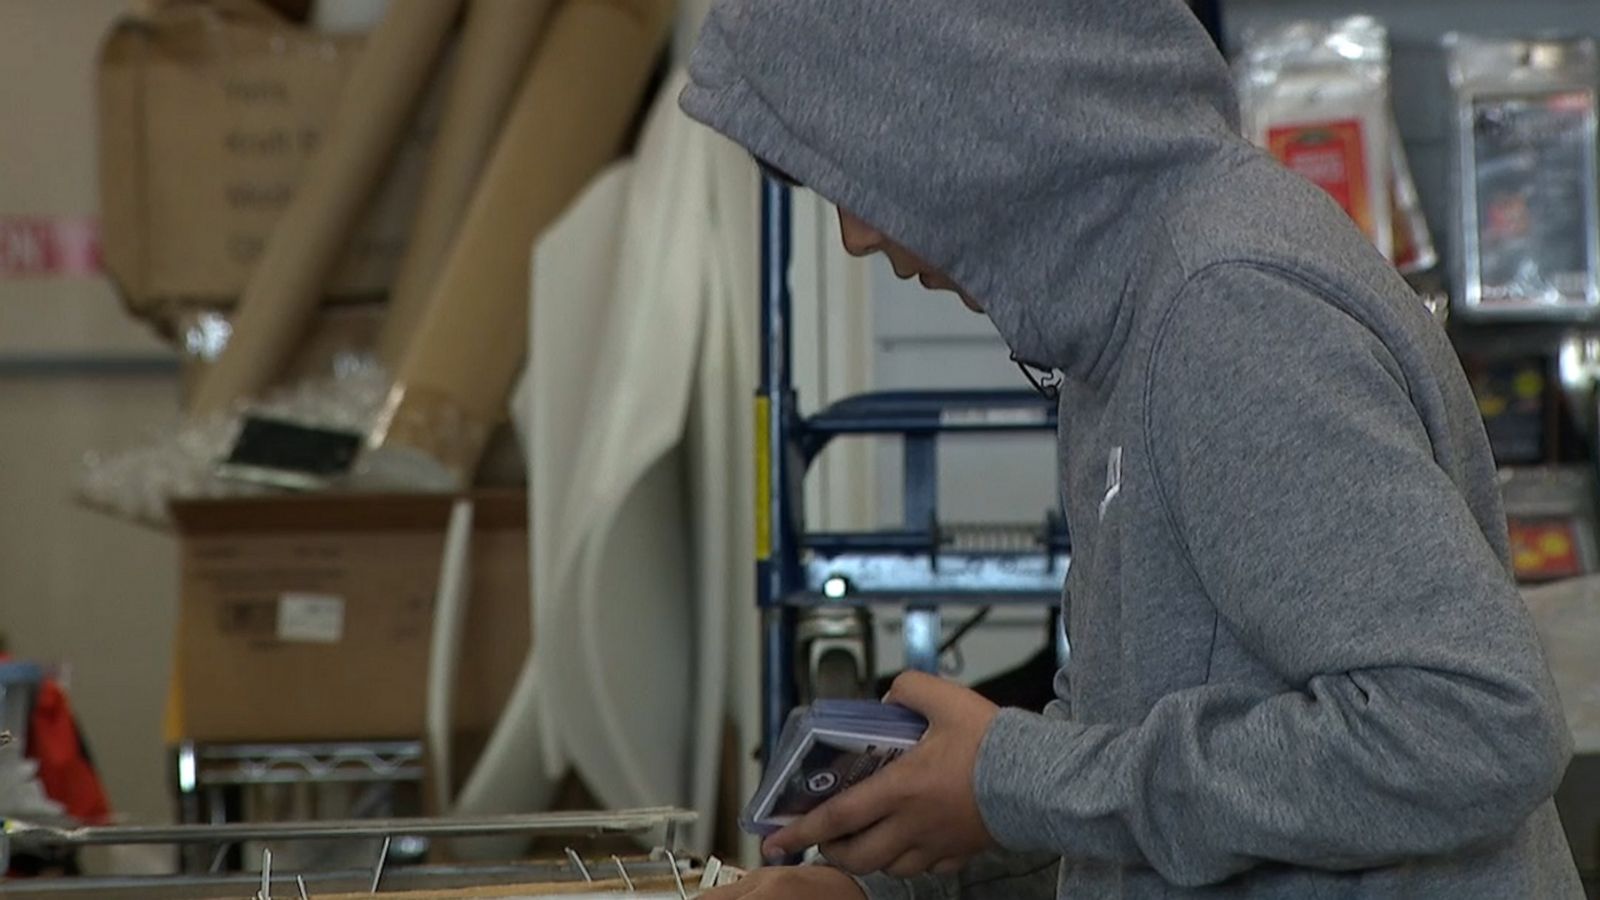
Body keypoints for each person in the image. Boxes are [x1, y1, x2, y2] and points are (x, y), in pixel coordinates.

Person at [678, 0, 1585, 897]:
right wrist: (879, 888)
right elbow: (1119, 767)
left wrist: (1012, 782)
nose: (858, 233)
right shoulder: (1129, 316)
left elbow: (1473, 727)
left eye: (865, 173)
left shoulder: (1225, 309)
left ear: (979, 106)